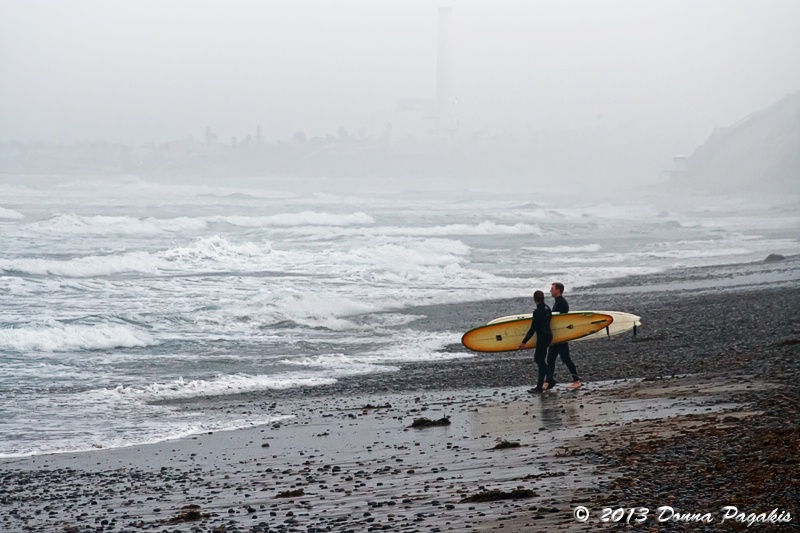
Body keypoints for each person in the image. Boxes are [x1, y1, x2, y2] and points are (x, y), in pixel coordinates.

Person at [546, 282, 582, 389]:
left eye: (552, 288)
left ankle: (577, 381)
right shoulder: (558, 302)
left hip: (561, 337)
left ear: (558, 290)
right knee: (550, 359)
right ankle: (549, 381)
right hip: (557, 337)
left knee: (566, 358)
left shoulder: (561, 303)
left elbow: (560, 322)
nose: (550, 290)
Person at [518, 290, 552, 393]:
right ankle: (539, 387)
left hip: (542, 338)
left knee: (538, 360)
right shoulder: (548, 308)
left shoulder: (537, 312)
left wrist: (524, 342)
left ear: (534, 299)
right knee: (541, 360)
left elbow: (533, 329)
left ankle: (550, 378)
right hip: (548, 336)